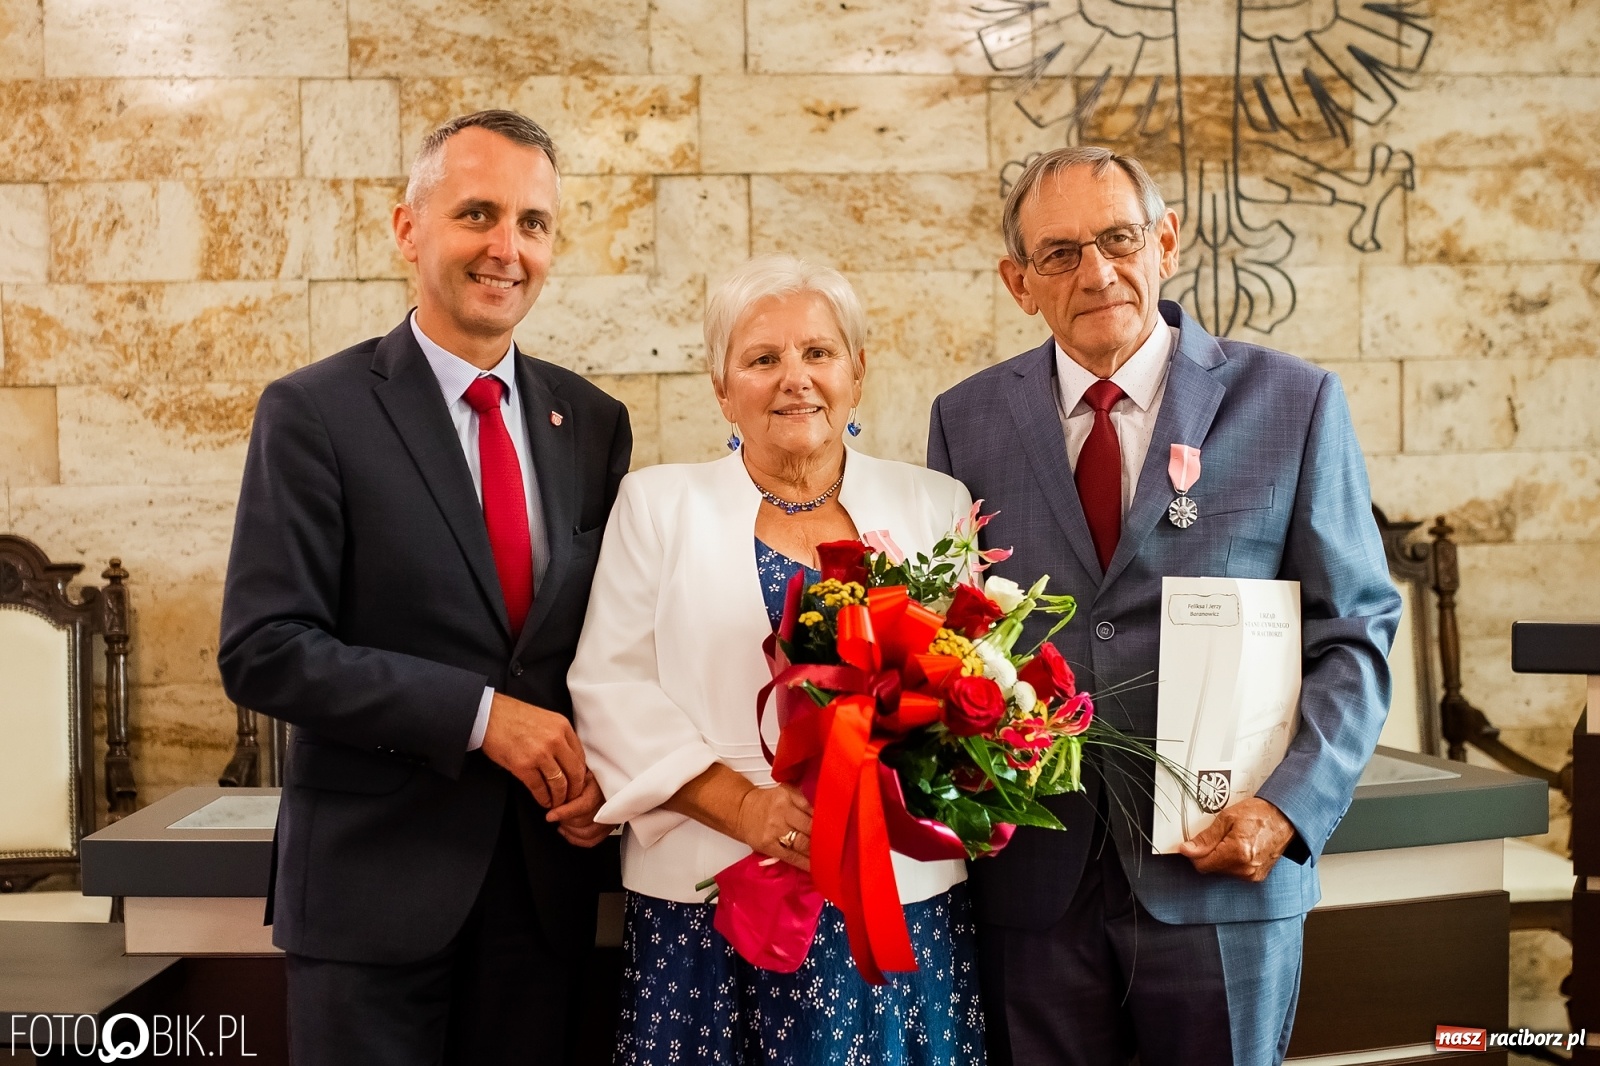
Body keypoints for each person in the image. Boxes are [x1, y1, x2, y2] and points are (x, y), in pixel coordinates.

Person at [928, 147, 1401, 1066]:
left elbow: (1356, 633)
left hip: (1223, 872)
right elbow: (955, 628)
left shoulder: (1294, 402)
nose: (1097, 271)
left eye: (1118, 238)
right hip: (1033, 885)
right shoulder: (967, 420)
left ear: (1167, 242)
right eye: (1060, 253)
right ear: (1018, 283)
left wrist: (1288, 810)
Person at [218, 110, 631, 1065]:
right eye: (477, 214)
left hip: (543, 893)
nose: (506, 248)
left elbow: (602, 642)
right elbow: (264, 646)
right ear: (409, 230)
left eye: (533, 223)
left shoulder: (594, 422)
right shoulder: (313, 412)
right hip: (373, 899)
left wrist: (611, 759)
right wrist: (484, 716)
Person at [568, 255, 986, 1065]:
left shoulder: (933, 503)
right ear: (722, 387)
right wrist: (748, 809)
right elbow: (609, 684)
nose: (794, 378)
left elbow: (968, 683)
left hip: (893, 897)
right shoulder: (656, 506)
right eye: (763, 359)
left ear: (857, 374)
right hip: (709, 902)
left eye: (818, 354)